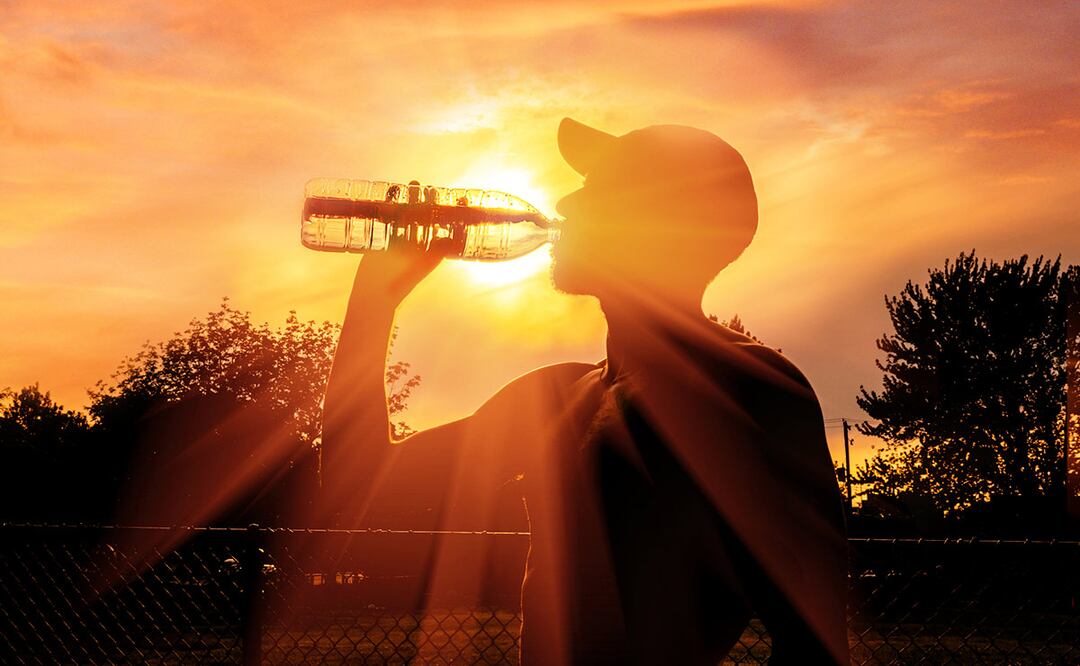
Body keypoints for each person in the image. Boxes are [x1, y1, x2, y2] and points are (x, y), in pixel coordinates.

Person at [319, 118, 849, 664]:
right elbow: (355, 488)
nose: (567, 203)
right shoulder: (557, 395)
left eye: (600, 190)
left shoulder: (747, 388)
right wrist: (375, 299)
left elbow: (815, 643)